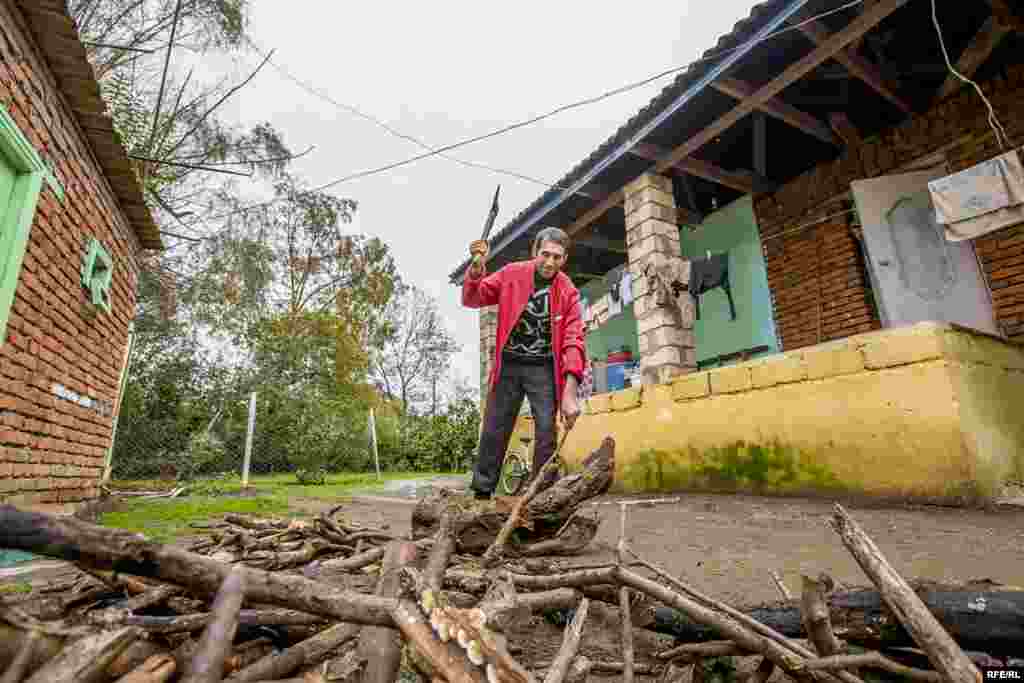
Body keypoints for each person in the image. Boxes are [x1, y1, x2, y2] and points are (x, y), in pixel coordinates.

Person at [462, 227, 586, 500]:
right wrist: (476, 270)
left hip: (542, 366)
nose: (550, 262)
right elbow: (473, 298)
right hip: (509, 363)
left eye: (557, 257)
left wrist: (569, 394)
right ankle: (482, 493)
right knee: (495, 426)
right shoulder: (511, 273)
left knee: (545, 428)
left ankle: (540, 495)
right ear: (534, 252)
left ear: (564, 259)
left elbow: (574, 341)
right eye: (545, 254)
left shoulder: (568, 292)